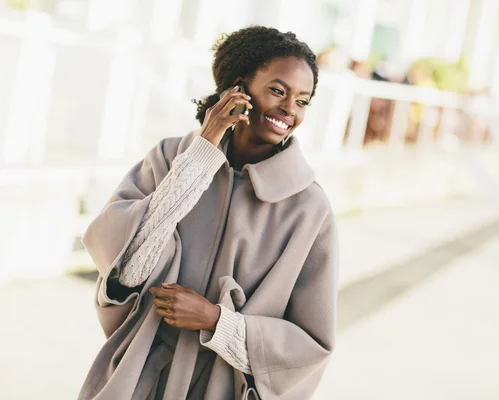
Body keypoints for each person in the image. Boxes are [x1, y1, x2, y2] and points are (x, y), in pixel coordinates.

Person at [78, 26, 339, 400]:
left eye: (302, 101)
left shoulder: (309, 208)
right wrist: (203, 152)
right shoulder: (169, 158)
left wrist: (218, 323)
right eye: (278, 91)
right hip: (136, 380)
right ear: (239, 88)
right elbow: (126, 271)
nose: (289, 110)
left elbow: (310, 346)